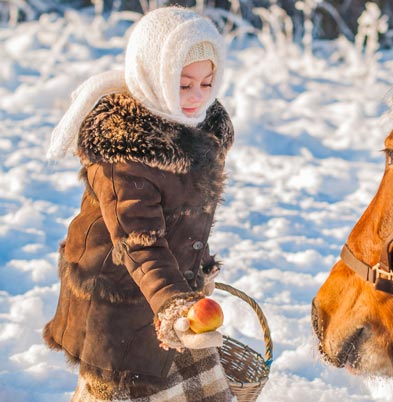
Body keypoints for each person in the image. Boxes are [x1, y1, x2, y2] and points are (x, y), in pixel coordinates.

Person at [43, 6, 236, 401]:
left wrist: (195, 273)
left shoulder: (197, 127)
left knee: (199, 386)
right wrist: (175, 303)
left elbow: (182, 220)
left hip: (169, 290)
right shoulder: (124, 155)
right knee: (128, 387)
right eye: (184, 85)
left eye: (207, 82)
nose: (198, 96)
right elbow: (139, 240)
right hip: (117, 298)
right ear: (155, 74)